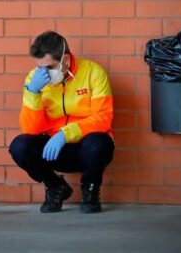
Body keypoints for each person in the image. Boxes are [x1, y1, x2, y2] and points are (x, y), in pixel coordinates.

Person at [9, 31, 115, 213]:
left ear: (65, 61)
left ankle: (90, 191)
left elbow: (103, 118)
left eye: (49, 67)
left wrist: (65, 134)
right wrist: (32, 92)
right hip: (54, 150)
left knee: (100, 142)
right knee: (20, 146)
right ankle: (55, 186)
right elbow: (31, 128)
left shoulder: (93, 73)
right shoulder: (34, 80)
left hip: (87, 149)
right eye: (38, 67)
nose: (43, 73)